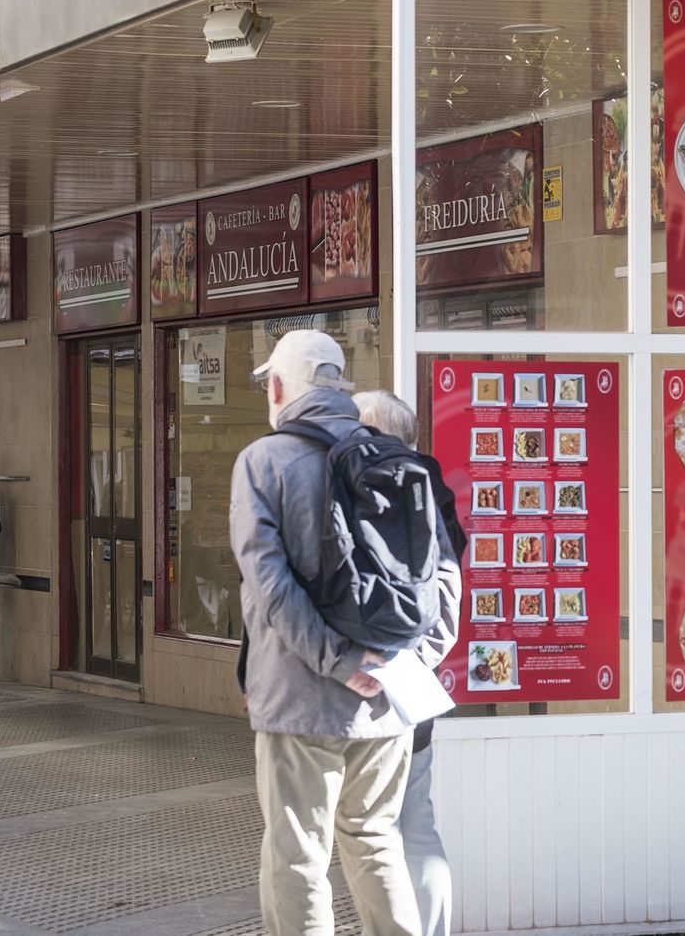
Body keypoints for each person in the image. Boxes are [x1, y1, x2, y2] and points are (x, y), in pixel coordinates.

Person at [231, 330, 459, 936]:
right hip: (386, 703)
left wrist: (338, 662)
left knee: (299, 854)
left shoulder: (263, 461)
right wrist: (389, 660)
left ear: (278, 387)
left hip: (301, 702)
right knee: (377, 844)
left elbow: (270, 585)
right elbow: (440, 572)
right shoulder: (390, 454)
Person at [353, 389, 464, 936]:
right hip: (411, 686)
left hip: (374, 691)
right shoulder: (432, 489)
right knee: (412, 824)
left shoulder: (365, 491)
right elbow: (446, 606)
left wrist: (380, 667)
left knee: (374, 831)